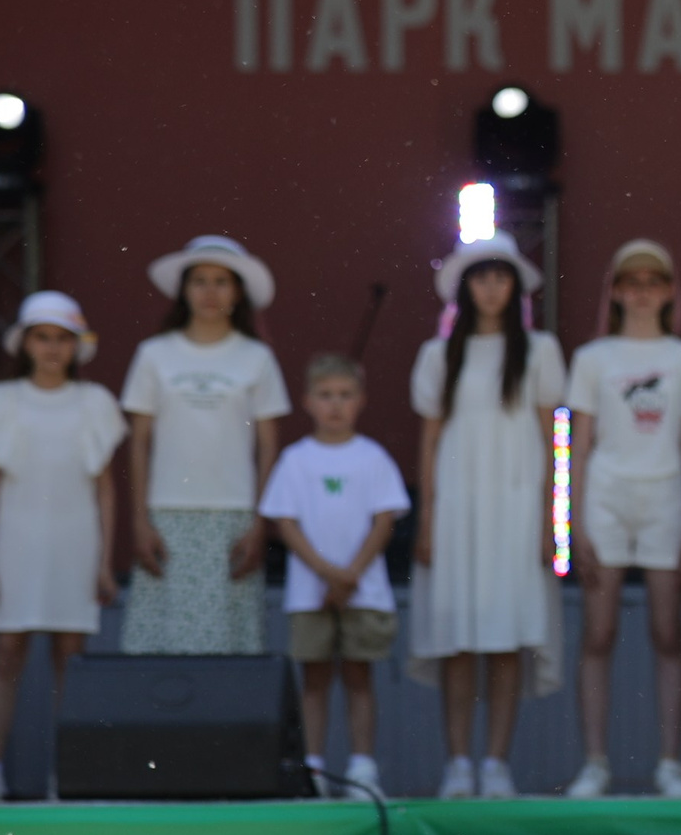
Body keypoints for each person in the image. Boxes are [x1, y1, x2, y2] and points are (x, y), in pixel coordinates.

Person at [408, 233, 567, 799]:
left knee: (505, 638)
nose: (491, 287)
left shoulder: (541, 350)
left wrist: (557, 522)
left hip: (518, 506)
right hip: (457, 508)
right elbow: (428, 443)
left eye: (501, 277)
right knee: (459, 638)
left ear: (516, 287)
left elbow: (558, 436)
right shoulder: (437, 354)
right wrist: (426, 520)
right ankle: (458, 763)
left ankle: (496, 763)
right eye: (481, 277)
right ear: (464, 288)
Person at [565, 240, 681, 799]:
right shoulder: (593, 358)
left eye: (656, 279)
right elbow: (577, 446)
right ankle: (595, 763)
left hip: (666, 498)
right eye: (634, 280)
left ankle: (670, 764)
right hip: (605, 495)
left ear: (670, 290)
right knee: (598, 631)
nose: (645, 289)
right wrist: (573, 523)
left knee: (667, 632)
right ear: (618, 290)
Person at [0, 293, 125, 804]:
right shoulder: (4, 400)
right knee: (8, 653)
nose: (53, 348)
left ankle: (68, 773)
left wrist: (105, 563)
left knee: (69, 656)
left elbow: (104, 487)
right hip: (17, 542)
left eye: (63, 338)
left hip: (75, 542)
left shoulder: (95, 402)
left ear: (76, 346)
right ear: (26, 343)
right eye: (43, 337)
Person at [119, 235, 290, 655]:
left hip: (233, 517)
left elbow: (268, 446)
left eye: (221, 281)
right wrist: (140, 520)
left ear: (237, 292)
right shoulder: (154, 354)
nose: (210, 292)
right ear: (183, 290)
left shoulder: (256, 358)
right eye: (199, 281)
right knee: (163, 643)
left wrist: (259, 522)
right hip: (168, 515)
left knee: (227, 645)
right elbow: (138, 443)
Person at [259, 355, 409, 800]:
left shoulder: (373, 457)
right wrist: (327, 573)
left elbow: (385, 519)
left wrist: (351, 574)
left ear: (360, 401)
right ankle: (314, 768)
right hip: (311, 592)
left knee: (360, 677)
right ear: (307, 401)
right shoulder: (295, 460)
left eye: (345, 395)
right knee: (315, 679)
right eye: (326, 396)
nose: (335, 405)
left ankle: (363, 769)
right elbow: (285, 523)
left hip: (364, 592)